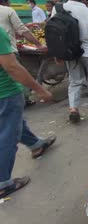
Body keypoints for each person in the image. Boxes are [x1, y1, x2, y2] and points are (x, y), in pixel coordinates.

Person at [0, 27, 56, 199]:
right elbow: (11, 66)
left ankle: (36, 145)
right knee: (9, 135)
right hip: (5, 92)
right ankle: (3, 183)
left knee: (15, 124)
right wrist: (39, 89)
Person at [0, 0, 45, 107]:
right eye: (9, 1)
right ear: (5, 1)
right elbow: (22, 30)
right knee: (16, 75)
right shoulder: (7, 10)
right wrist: (38, 44)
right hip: (8, 51)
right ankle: (24, 99)